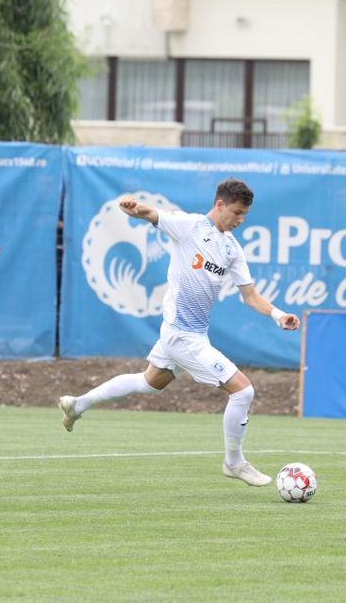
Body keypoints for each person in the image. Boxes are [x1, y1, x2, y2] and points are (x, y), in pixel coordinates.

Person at [57, 178, 298, 486]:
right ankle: (234, 462)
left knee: (148, 383)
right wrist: (137, 209)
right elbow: (153, 215)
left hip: (187, 334)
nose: (240, 220)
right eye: (236, 212)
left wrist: (278, 315)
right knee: (244, 390)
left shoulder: (232, 249)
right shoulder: (190, 226)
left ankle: (78, 404)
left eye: (244, 215)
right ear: (220, 204)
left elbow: (249, 295)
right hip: (182, 335)